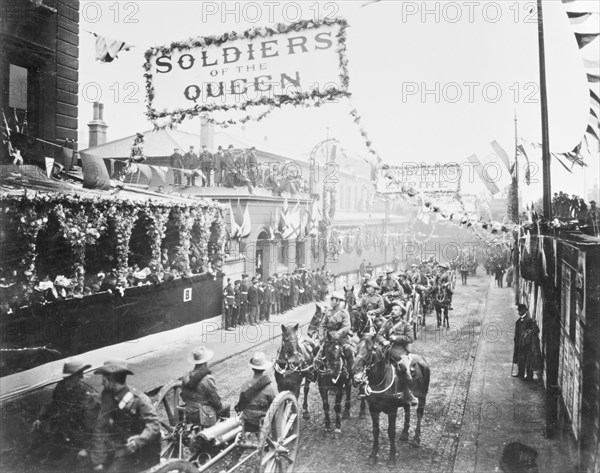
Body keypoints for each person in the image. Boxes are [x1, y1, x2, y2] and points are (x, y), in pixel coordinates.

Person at [90, 360, 160, 472]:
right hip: (120, 446)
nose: (102, 383)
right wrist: (97, 460)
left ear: (112, 380)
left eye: (103, 379)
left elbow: (154, 425)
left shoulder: (139, 399)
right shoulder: (107, 395)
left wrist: (138, 441)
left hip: (144, 450)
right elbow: (101, 425)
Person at [31, 358, 100, 464]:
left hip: (81, 434)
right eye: (79, 374)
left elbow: (96, 424)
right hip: (64, 428)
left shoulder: (86, 395)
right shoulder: (60, 387)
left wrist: (86, 448)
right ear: (69, 377)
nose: (82, 377)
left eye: (81, 373)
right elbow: (54, 404)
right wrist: (40, 418)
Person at [375, 300, 418, 405]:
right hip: (387, 350)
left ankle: (408, 393)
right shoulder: (387, 323)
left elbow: (410, 338)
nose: (393, 312)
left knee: (404, 370)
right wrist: (383, 341)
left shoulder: (405, 325)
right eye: (392, 309)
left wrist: (396, 337)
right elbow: (379, 335)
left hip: (400, 351)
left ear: (401, 313)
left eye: (395, 310)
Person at [180, 347, 230, 427]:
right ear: (206, 361)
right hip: (204, 416)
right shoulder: (207, 379)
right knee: (226, 405)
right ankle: (223, 431)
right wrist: (219, 409)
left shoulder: (186, 377)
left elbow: (183, 396)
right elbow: (215, 400)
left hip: (189, 412)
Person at [235, 352, 277, 431]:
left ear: (252, 368)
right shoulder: (268, 388)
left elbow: (241, 403)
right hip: (261, 421)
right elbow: (274, 405)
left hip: (246, 419)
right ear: (264, 368)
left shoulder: (245, 384)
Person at [317, 290, 354, 375]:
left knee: (349, 351)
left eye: (334, 300)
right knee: (317, 351)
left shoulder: (344, 313)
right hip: (328, 339)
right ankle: (314, 374)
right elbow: (322, 325)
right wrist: (321, 337)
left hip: (341, 338)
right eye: (331, 300)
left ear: (338, 301)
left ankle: (351, 372)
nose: (332, 302)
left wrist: (337, 334)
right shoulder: (328, 312)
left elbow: (346, 327)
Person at [513, 304, 539, 381]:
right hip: (519, 343)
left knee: (528, 360)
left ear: (524, 310)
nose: (519, 312)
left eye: (520, 310)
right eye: (518, 311)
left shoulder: (529, 320)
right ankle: (520, 373)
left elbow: (535, 329)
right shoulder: (520, 320)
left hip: (526, 344)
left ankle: (529, 376)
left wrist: (528, 336)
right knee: (520, 358)